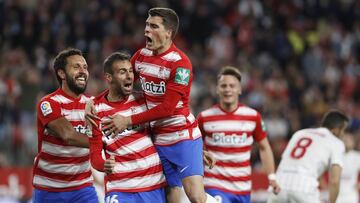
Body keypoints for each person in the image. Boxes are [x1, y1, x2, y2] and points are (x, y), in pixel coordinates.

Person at [97, 7, 217, 203]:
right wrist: (95, 102)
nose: (146, 30)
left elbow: (168, 108)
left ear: (168, 32)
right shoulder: (141, 56)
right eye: (146, 25)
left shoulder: (180, 64)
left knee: (196, 196)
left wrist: (128, 120)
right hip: (158, 142)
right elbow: (120, 85)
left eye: (153, 26)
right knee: (171, 199)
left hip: (182, 137)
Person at [87, 52, 167, 202]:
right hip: (120, 188)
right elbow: (95, 155)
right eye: (122, 72)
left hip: (153, 186)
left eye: (130, 71)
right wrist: (104, 165)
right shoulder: (95, 111)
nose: (129, 76)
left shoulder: (143, 100)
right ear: (109, 77)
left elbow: (168, 130)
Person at [197, 66, 280, 203]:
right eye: (223, 85)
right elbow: (192, 146)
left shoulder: (253, 117)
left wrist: (271, 177)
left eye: (232, 85)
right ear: (217, 89)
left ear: (239, 89)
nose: (228, 89)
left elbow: (264, 147)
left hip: (243, 189)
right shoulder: (204, 117)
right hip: (215, 185)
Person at [32, 48, 98, 202]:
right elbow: (68, 136)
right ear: (61, 73)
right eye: (76, 67)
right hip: (49, 190)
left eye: (85, 67)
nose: (83, 71)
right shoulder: (48, 103)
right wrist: (103, 142)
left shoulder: (94, 104)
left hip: (83, 188)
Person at [267, 110, 349, 203]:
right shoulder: (336, 142)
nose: (343, 134)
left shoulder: (299, 133)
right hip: (304, 187)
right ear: (336, 129)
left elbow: (285, 160)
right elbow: (334, 180)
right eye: (343, 130)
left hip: (279, 184)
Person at [336, 133, 360, 203]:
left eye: (349, 140)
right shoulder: (336, 155)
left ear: (353, 142)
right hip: (336, 194)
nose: (346, 142)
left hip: (351, 194)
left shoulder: (357, 156)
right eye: (344, 140)